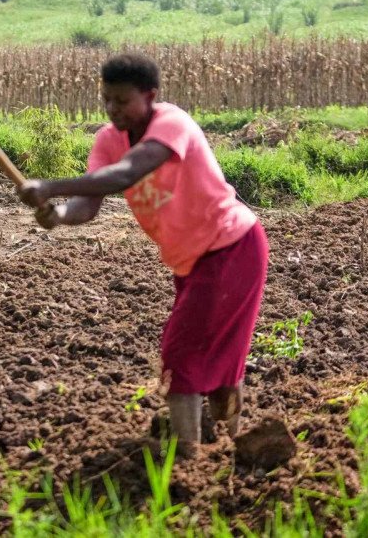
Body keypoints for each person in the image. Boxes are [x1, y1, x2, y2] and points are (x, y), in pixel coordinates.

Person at [17, 53, 269, 455]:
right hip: (189, 260)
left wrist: (49, 185)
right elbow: (90, 203)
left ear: (150, 96)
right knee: (216, 364)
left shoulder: (171, 124)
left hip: (231, 246)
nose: (113, 110)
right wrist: (59, 214)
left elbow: (126, 174)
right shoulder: (107, 140)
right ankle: (229, 443)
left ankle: (189, 458)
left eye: (122, 101)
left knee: (180, 353)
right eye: (107, 100)